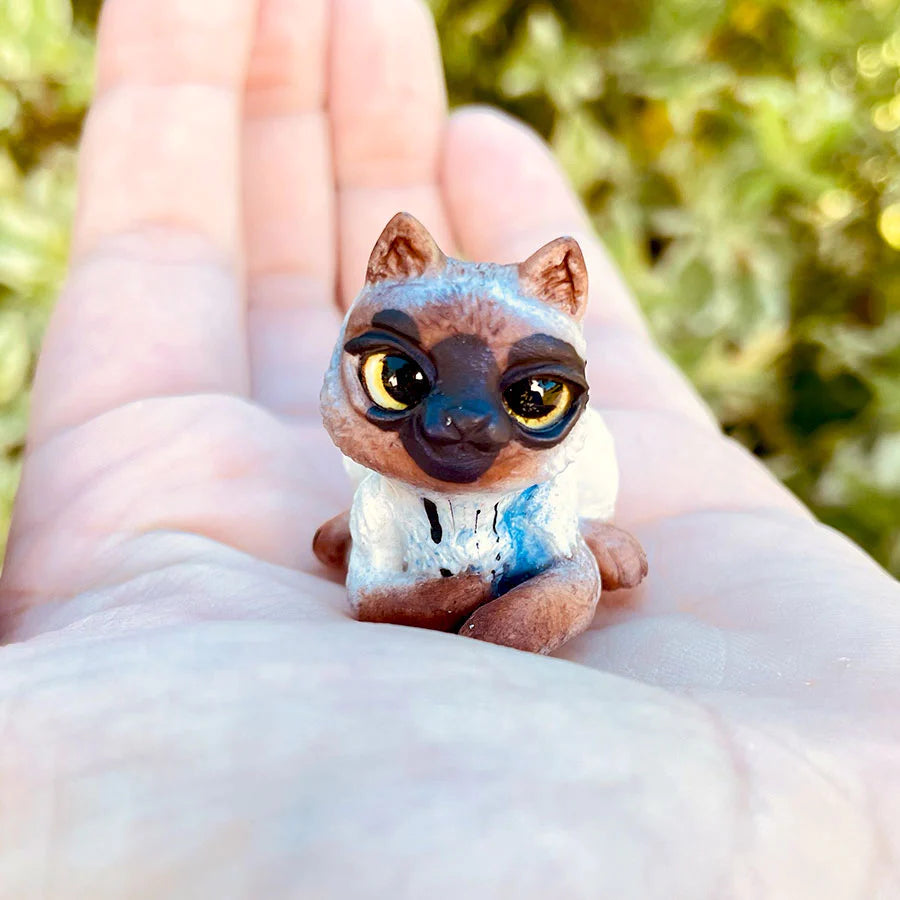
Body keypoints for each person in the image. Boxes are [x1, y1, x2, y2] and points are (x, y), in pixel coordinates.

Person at [1, 0, 897, 894]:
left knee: (570, 543)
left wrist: (511, 606)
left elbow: (567, 582)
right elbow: (376, 596)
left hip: (548, 524)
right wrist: (442, 596)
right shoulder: (387, 499)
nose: (464, 427)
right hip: (402, 521)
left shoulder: (545, 495)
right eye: (402, 381)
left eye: (532, 398)